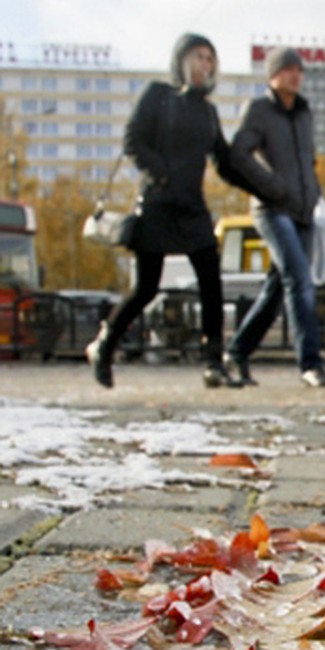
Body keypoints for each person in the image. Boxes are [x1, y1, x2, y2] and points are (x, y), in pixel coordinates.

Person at [86, 33, 246, 389]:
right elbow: (133, 140)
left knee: (211, 283)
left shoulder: (208, 111)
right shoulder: (158, 95)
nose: (205, 65)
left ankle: (213, 363)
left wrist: (264, 184)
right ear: (182, 61)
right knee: (146, 288)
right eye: (199, 57)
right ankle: (104, 344)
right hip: (158, 204)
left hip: (192, 207)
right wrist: (161, 174)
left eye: (210, 59)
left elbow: (225, 160)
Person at [223, 46, 325, 388]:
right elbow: (238, 154)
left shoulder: (304, 114)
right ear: (273, 75)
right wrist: (270, 186)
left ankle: (237, 352)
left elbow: (308, 159)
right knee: (300, 282)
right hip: (272, 209)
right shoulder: (258, 110)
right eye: (287, 69)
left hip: (303, 211)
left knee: (275, 292)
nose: (295, 75)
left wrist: (314, 192)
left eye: (299, 70)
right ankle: (311, 363)